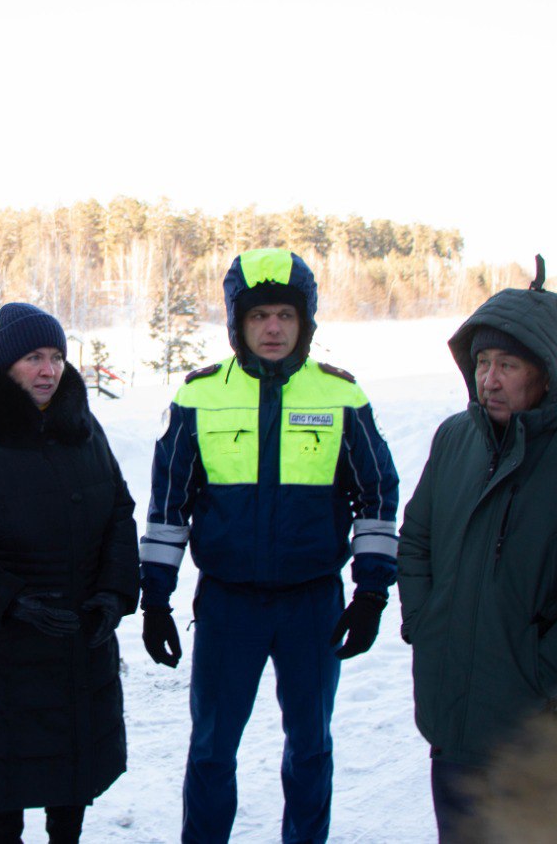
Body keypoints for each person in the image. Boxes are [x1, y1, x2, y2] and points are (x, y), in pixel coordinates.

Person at [138, 248, 399, 844]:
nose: (273, 328)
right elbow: (167, 507)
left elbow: (377, 495)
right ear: (237, 323)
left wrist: (372, 593)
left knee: (310, 747)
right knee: (210, 749)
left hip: (312, 604)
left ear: (305, 321)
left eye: (285, 314)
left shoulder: (342, 397)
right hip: (229, 606)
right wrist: (155, 600)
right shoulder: (199, 398)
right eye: (259, 317)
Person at [398, 278, 557, 843]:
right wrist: (427, 621)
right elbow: (416, 541)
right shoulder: (456, 438)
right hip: (451, 709)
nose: (490, 379)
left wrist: (546, 669)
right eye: (482, 362)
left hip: (535, 721)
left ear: (548, 371)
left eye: (507, 364)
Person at [0, 303, 140, 844]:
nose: (48, 370)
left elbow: (118, 513)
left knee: (71, 780)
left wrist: (113, 593)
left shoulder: (82, 430)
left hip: (76, 646)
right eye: (33, 356)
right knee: (1, 783)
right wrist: (6, 598)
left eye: (57, 356)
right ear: (5, 364)